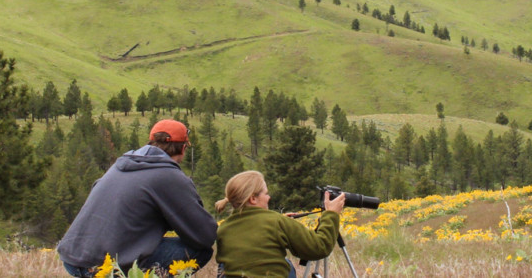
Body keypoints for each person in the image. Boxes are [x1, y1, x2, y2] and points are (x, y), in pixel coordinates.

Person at [57, 119, 218, 277]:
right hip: (108, 267)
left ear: (151, 142)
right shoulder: (169, 176)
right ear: (183, 148)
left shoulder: (120, 166)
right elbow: (204, 235)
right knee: (200, 251)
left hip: (73, 260)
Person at [214, 170, 345, 278]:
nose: (269, 197)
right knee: (287, 266)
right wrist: (331, 214)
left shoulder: (223, 229)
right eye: (266, 193)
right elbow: (320, 247)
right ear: (253, 199)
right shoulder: (276, 222)